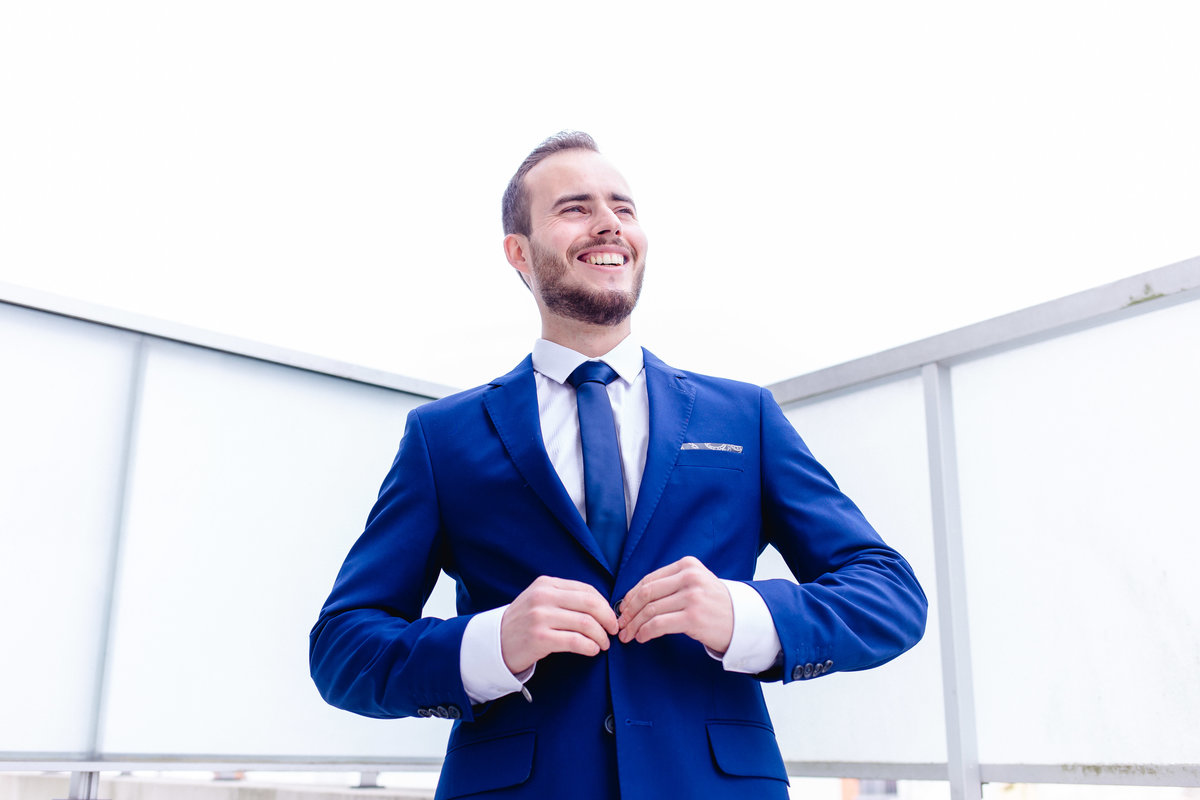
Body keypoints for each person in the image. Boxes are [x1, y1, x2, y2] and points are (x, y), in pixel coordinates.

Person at [309, 132, 928, 800]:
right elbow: (343, 648)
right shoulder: (442, 437)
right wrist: (492, 643)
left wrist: (743, 615)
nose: (609, 221)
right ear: (519, 251)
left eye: (623, 208)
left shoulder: (743, 416)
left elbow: (890, 597)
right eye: (575, 207)